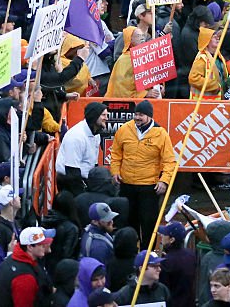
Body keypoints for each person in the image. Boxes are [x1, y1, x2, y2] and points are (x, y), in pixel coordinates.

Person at [109, 100, 177, 246]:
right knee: (129, 221)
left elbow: (169, 161)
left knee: (148, 223)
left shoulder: (161, 134)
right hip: (126, 185)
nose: (137, 117)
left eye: (141, 115)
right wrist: (114, 171)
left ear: (150, 116)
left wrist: (164, 180)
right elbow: (115, 153)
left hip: (149, 187)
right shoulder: (124, 129)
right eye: (136, 114)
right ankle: (132, 252)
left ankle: (148, 254)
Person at [0, 227, 55, 307]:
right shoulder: (24, 277)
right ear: (30, 247)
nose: (44, 246)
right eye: (40, 244)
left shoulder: (13, 258)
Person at [58, 101, 108, 178]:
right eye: (103, 115)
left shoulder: (96, 133)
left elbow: (93, 163)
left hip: (85, 177)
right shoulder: (76, 136)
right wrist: (82, 189)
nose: (106, 118)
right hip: (69, 179)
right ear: (94, 116)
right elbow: (71, 170)